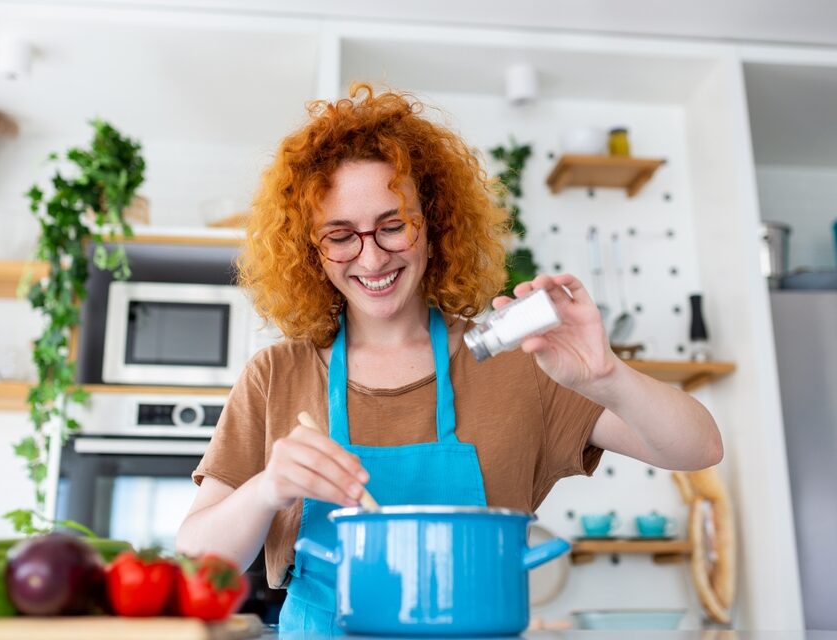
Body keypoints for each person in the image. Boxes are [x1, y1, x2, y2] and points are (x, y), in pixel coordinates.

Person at [176, 84, 723, 633]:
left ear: (434, 224)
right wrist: (268, 487)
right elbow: (199, 560)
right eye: (340, 236)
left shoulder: (519, 363)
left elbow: (699, 447)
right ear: (311, 250)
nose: (372, 257)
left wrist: (607, 375)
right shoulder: (276, 376)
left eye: (393, 226)